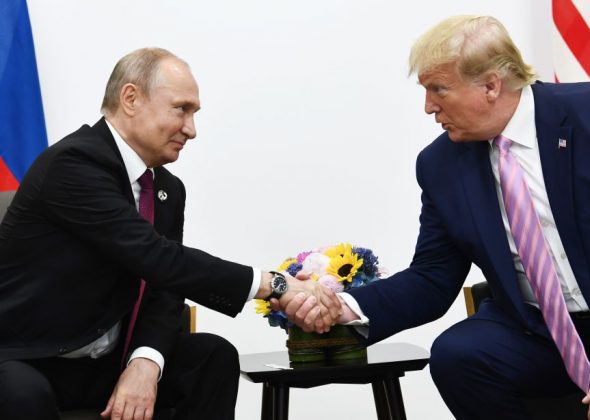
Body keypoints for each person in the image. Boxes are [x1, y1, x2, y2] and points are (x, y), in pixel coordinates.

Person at [281, 15, 590, 420]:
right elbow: (433, 276)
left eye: (438, 89)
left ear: (490, 86)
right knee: (459, 356)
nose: (428, 107)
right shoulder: (440, 164)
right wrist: (344, 307)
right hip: (543, 330)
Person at [0, 47, 338, 420]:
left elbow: (165, 287)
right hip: (25, 355)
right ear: (131, 98)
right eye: (181, 109)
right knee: (22, 395)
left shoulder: (166, 189)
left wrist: (147, 362)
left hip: (101, 362)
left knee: (211, 356)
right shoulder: (72, 165)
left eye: (194, 114)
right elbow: (159, 258)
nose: (191, 129)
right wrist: (277, 285)